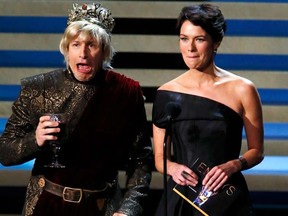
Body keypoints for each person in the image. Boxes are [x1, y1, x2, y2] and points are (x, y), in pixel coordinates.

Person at [0, 2, 153, 216]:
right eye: (76, 44)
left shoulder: (126, 92)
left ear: (104, 51)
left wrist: (128, 209)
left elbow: (141, 162)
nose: (83, 53)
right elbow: (5, 153)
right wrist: (34, 141)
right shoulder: (39, 87)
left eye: (92, 45)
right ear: (66, 49)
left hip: (102, 207)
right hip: (46, 205)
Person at [152, 3, 264, 216]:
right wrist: (174, 168)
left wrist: (232, 166)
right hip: (181, 200)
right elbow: (160, 159)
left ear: (216, 42)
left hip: (225, 200)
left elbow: (257, 151)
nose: (190, 48)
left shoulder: (243, 89)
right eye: (184, 39)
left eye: (199, 39)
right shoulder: (165, 94)